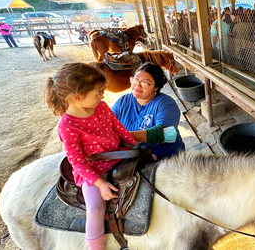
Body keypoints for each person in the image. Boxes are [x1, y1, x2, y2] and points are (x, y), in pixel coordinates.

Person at [44, 63, 171, 250]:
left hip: (118, 156)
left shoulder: (101, 107)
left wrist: (137, 150)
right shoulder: (67, 126)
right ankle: (96, 247)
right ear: (78, 97)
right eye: (98, 93)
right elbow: (77, 162)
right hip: (94, 171)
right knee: (96, 208)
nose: (102, 96)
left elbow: (119, 129)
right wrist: (99, 183)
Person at [112, 62, 185, 159]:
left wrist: (124, 136)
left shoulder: (165, 103)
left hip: (167, 158)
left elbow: (166, 133)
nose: (137, 86)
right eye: (135, 80)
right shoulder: (123, 102)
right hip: (134, 156)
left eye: (144, 83)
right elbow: (107, 123)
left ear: (156, 87)